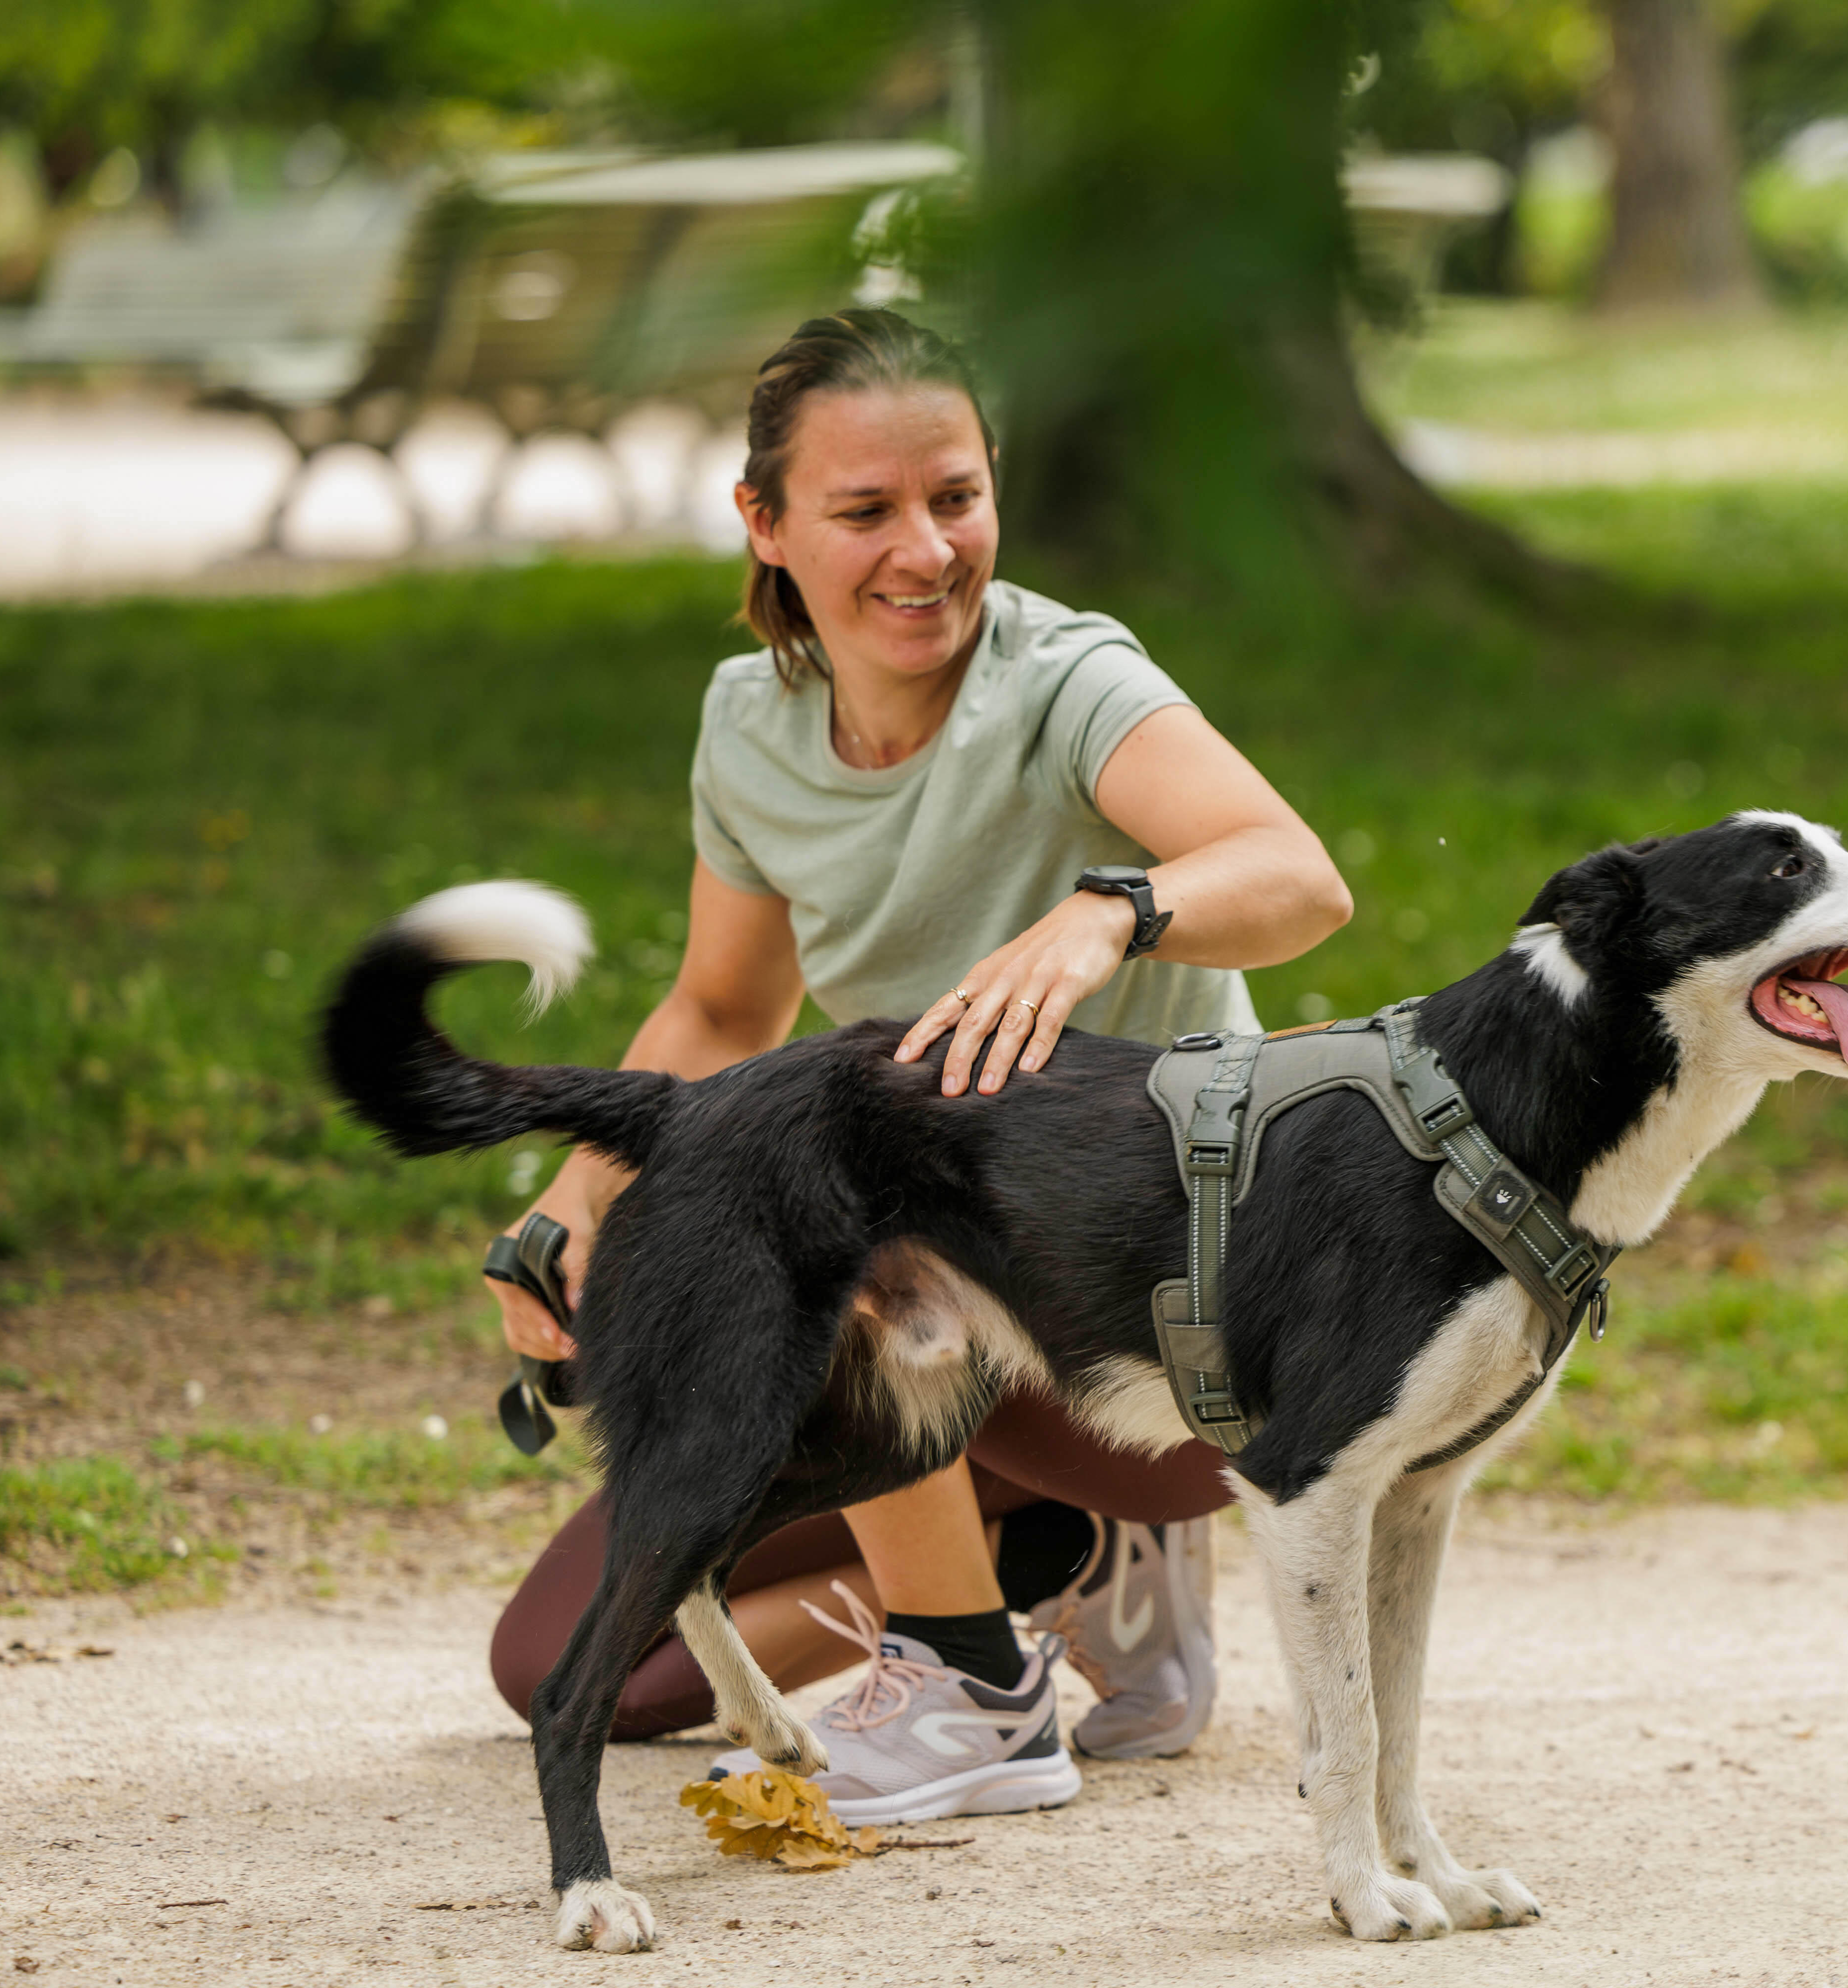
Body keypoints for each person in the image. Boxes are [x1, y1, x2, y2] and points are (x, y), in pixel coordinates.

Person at [483, 308, 1352, 1824]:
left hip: (1164, 1306)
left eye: (957, 497)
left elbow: (1299, 880)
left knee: (805, 1206)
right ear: (763, 523)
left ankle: (974, 1683)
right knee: (573, 1665)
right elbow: (721, 1012)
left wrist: (1110, 913)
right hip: (954, 1309)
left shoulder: (1065, 680)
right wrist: (570, 1205)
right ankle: (1063, 1561)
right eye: (866, 509)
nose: (927, 550)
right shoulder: (751, 725)